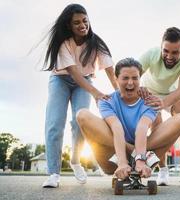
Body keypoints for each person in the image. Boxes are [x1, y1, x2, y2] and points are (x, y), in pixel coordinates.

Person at [42, 4, 118, 188]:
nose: (82, 25)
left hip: (84, 81)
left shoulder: (96, 43)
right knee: (54, 124)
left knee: (80, 121)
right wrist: (97, 94)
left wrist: (120, 93)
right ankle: (53, 173)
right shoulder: (63, 43)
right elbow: (73, 73)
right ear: (69, 25)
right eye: (76, 23)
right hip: (60, 80)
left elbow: (110, 70)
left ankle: (75, 161)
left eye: (85, 21)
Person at [76, 58, 180, 180]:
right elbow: (116, 127)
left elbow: (142, 127)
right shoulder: (107, 101)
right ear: (116, 79)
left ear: (140, 79)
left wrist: (140, 161)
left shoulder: (149, 100)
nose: (130, 83)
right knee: (82, 114)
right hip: (113, 157)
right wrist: (123, 162)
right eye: (125, 78)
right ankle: (131, 155)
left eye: (135, 78)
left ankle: (137, 157)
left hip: (145, 156)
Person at [139, 27, 180, 185]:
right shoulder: (151, 54)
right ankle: (162, 170)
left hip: (170, 94)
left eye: (175, 53)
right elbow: (132, 74)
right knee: (157, 122)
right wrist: (139, 89)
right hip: (149, 92)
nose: (169, 56)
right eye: (166, 51)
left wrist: (164, 103)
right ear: (161, 46)